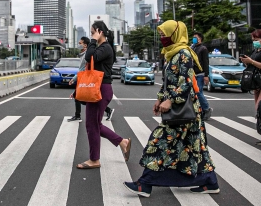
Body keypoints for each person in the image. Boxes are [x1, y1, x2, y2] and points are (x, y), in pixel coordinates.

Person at [124, 20, 218, 197]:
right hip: (185, 109)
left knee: (158, 142)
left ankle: (145, 183)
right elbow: (169, 82)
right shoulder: (172, 54)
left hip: (183, 108)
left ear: (174, 34)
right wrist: (160, 99)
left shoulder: (183, 53)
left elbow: (186, 83)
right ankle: (210, 181)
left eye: (164, 33)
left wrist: (171, 100)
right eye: (160, 34)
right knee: (195, 146)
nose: (162, 37)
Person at [76, 21, 131, 169]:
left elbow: (89, 57)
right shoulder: (102, 47)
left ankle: (95, 160)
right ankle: (122, 142)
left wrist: (93, 40)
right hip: (96, 87)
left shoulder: (105, 48)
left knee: (92, 125)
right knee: (94, 124)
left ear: (99, 31)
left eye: (92, 32)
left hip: (101, 89)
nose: (91, 35)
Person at [68, 36, 114, 122]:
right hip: (83, 77)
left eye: (80, 43)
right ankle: (107, 110)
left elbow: (83, 69)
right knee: (83, 98)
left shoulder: (87, 54)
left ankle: (78, 116)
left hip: (85, 78)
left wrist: (74, 79)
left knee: (83, 97)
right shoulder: (83, 54)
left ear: (85, 45)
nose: (78, 45)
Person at [239, 29, 261, 147]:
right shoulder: (256, 50)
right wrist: (246, 62)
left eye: (256, 40)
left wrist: (251, 61)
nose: (254, 42)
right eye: (253, 40)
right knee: (258, 110)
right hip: (256, 83)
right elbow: (252, 63)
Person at [191, 32, 212, 120]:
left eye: (195, 37)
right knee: (195, 93)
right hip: (193, 73)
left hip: (200, 73)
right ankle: (201, 110)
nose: (194, 39)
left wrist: (206, 75)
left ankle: (206, 109)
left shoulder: (203, 49)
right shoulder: (193, 48)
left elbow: (206, 62)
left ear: (200, 39)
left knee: (198, 92)